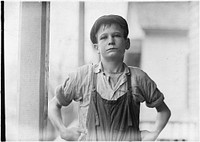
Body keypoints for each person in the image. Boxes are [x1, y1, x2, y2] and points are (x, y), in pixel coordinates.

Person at [48, 14, 171, 141]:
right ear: (96, 47)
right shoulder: (83, 76)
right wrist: (63, 130)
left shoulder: (138, 78)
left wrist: (154, 133)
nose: (111, 41)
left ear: (127, 43)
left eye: (116, 35)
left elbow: (164, 111)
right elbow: (54, 105)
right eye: (103, 37)